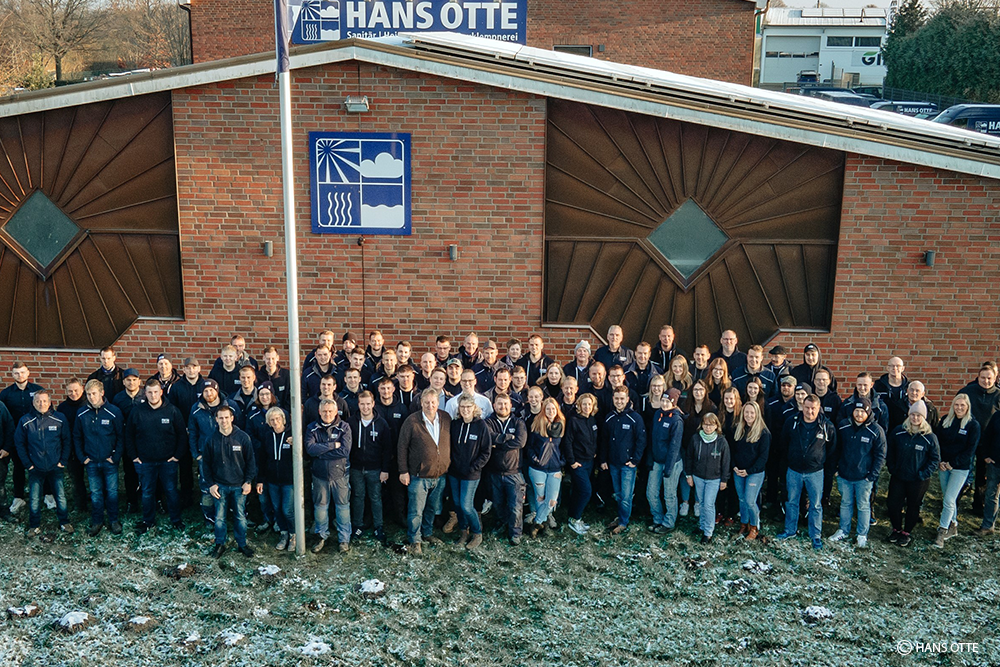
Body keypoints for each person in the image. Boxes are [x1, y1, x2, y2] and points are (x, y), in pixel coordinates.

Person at [126, 380, 186, 534]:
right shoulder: (137, 412)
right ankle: (148, 521)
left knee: (171, 490)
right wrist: (134, 457)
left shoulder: (172, 411)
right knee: (147, 492)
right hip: (145, 461)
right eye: (149, 392)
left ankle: (176, 519)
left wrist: (177, 456)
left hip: (168, 461)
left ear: (161, 392)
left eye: (155, 392)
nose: (153, 395)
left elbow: (181, 435)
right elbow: (129, 436)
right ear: (145, 393)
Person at [776, 394, 836, 550]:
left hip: (815, 472)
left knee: (815, 505)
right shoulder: (792, 422)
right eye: (807, 408)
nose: (810, 411)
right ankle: (790, 530)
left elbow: (832, 450)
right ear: (802, 406)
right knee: (792, 501)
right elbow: (783, 443)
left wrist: (820, 462)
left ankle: (815, 535)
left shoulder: (826, 426)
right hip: (794, 470)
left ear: (818, 408)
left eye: (813, 408)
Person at [397, 389, 452, 554]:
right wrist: (403, 471)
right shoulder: (412, 421)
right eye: (426, 402)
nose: (430, 405)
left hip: (440, 475)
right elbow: (402, 447)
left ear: (438, 403)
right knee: (416, 510)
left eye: (433, 402)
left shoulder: (446, 418)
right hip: (418, 476)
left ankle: (427, 533)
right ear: (421, 403)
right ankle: (415, 539)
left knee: (431, 509)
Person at [14, 390, 73, 536]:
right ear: (33, 403)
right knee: (34, 498)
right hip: (35, 467)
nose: (42, 404)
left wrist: (62, 461)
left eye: (44, 401)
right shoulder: (25, 420)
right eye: (38, 401)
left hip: (55, 466)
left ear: (50, 401)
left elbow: (67, 440)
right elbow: (19, 443)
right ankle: (34, 525)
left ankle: (64, 522)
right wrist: (28, 464)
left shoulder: (59, 418)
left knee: (60, 496)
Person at [829, 397, 885, 548]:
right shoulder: (843, 426)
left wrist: (872, 475)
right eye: (856, 411)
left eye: (862, 411)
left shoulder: (875, 430)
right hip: (845, 474)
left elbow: (880, 455)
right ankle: (843, 530)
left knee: (863, 505)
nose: (859, 414)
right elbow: (836, 449)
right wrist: (836, 469)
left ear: (868, 412)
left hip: (864, 477)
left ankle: (861, 534)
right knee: (846, 503)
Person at [203, 405, 256, 558]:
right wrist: (211, 484)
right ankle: (220, 544)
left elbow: (251, 462)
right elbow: (205, 464)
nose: (224, 420)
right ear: (216, 419)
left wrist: (248, 481)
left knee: (240, 516)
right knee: (219, 518)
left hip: (239, 485)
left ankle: (242, 544)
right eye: (221, 418)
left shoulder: (243, 437)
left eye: (227, 417)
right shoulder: (211, 439)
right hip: (219, 486)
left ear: (232, 418)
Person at [886, 401, 941, 547]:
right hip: (899, 476)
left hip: (918, 479)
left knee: (913, 506)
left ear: (923, 417)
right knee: (893, 504)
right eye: (912, 415)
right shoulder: (899, 431)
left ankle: (906, 533)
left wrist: (924, 474)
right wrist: (892, 467)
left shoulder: (929, 437)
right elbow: (890, 450)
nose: (915, 418)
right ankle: (896, 529)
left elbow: (934, 459)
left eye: (918, 415)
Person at [73, 380, 124, 536]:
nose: (91, 397)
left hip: (109, 461)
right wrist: (83, 458)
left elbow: (121, 436)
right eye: (88, 394)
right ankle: (97, 521)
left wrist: (115, 457)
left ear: (102, 393)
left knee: (112, 492)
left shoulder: (114, 411)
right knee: (95, 493)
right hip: (91, 461)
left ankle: (114, 520)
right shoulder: (81, 413)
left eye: (94, 393)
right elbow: (77, 436)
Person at [189, 379, 240, 525]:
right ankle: (210, 517)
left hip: (230, 455)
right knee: (207, 489)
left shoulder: (231, 406)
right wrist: (196, 454)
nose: (209, 393)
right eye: (205, 391)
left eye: (211, 390)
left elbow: (240, 429)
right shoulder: (196, 408)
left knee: (232, 486)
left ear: (217, 390)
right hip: (206, 455)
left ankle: (234, 516)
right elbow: (192, 432)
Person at [306, 399, 353, 554]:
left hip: (339, 475)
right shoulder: (312, 428)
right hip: (319, 476)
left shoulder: (344, 427)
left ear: (336, 412)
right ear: (319, 412)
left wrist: (322, 452)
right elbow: (310, 449)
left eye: (330, 411)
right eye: (324, 411)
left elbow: (344, 451)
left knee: (342, 508)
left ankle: (344, 539)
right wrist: (332, 445)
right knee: (320, 508)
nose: (327, 414)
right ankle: (321, 537)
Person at [933, 394, 980, 548]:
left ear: (967, 407)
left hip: (959, 468)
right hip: (943, 466)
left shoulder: (973, 425)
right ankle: (953, 525)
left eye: (962, 405)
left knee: (948, 499)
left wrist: (953, 463)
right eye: (956, 405)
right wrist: (940, 461)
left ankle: (942, 529)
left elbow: (970, 450)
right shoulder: (946, 420)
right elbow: (937, 441)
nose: (959, 408)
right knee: (948, 498)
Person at [599, 387, 647, 535]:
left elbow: (641, 440)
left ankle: (623, 522)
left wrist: (635, 460)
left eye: (622, 399)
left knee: (626, 495)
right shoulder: (609, 417)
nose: (619, 401)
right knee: (619, 494)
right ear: (613, 399)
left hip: (628, 465)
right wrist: (603, 459)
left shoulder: (635, 418)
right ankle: (620, 517)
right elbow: (604, 441)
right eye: (617, 398)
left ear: (627, 399)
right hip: (613, 463)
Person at [448, 396, 492, 549]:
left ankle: (477, 532)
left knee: (467, 505)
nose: (465, 410)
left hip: (471, 473)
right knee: (458, 504)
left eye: (468, 407)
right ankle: (463, 531)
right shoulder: (454, 425)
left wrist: (474, 467)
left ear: (474, 408)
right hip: (454, 472)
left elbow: (486, 451)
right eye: (462, 407)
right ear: (458, 409)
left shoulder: (481, 426)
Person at [348, 391, 391, 545]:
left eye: (368, 404)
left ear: (373, 404)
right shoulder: (351, 422)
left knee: (375, 498)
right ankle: (357, 526)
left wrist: (385, 470)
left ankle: (378, 526)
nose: (365, 407)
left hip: (375, 469)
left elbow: (387, 449)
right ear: (358, 404)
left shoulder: (381, 423)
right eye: (362, 404)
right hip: (356, 468)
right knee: (358, 497)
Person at [485, 393, 528, 545]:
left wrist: (498, 444)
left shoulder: (518, 422)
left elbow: (520, 442)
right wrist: (507, 438)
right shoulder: (488, 422)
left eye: (505, 404)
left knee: (515, 506)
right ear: (494, 405)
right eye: (499, 404)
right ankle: (501, 524)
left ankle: (515, 533)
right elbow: (488, 438)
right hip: (494, 472)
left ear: (510, 406)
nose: (502, 407)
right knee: (497, 503)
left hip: (514, 472)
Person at [958, 364, 1000, 514]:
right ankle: (953, 503)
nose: (986, 381)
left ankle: (978, 505)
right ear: (978, 377)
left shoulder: (998, 396)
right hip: (967, 439)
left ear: (995, 378)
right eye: (983, 377)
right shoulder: (967, 392)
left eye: (989, 378)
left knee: (982, 477)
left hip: (987, 443)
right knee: (962, 472)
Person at [1, 362, 43, 511]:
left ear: (28, 373)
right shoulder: (5, 395)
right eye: (17, 373)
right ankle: (19, 497)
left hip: (36, 437)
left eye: (23, 372)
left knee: (40, 465)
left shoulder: (38, 391)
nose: (20, 375)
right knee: (18, 467)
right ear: (12, 374)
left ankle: (47, 494)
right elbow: (4, 420)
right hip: (16, 438)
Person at [684, 412, 730, 544]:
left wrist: (724, 479)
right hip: (698, 476)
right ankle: (702, 526)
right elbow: (689, 457)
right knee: (702, 502)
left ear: (716, 426)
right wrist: (689, 475)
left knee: (709, 504)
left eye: (711, 425)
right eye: (705, 424)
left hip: (714, 478)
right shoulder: (696, 439)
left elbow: (726, 462)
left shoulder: (721, 441)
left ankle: (708, 532)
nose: (708, 427)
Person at [526, 398, 566, 538]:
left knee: (551, 500)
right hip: (538, 469)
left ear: (557, 410)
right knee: (540, 498)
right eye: (548, 409)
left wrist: (562, 461)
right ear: (544, 410)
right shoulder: (537, 425)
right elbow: (529, 447)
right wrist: (535, 459)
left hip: (555, 469)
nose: (550, 411)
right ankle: (543, 525)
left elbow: (565, 446)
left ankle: (537, 522)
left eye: (553, 409)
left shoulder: (561, 425)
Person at [646, 389, 684, 534]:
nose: (664, 403)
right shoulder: (658, 414)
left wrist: (668, 469)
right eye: (663, 400)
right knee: (651, 492)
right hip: (656, 460)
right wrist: (650, 458)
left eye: (668, 401)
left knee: (669, 494)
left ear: (674, 403)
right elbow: (652, 438)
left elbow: (675, 446)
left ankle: (669, 522)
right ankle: (658, 518)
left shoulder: (676, 420)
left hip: (671, 463)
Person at [257, 407, 295, 551]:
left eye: (278, 418)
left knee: (287, 510)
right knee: (277, 508)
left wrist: (295, 444)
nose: (275, 422)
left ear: (283, 419)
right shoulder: (267, 436)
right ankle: (283, 534)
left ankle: (293, 535)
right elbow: (262, 459)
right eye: (272, 420)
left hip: (288, 481)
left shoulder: (291, 435)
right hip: (272, 480)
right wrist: (260, 480)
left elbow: (302, 455)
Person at [731, 401, 770, 541]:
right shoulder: (738, 429)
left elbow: (763, 457)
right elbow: (733, 451)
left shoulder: (764, 433)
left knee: (750, 501)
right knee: (741, 499)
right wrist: (734, 466)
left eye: (752, 413)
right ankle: (744, 524)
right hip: (738, 471)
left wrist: (748, 471)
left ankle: (754, 527)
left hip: (754, 473)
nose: (749, 415)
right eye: (746, 412)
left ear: (757, 414)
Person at [561, 393, 598, 535]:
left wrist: (594, 452)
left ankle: (573, 517)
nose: (587, 407)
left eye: (589, 404)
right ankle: (575, 518)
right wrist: (572, 461)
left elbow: (595, 438)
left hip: (590, 461)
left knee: (577, 491)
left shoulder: (592, 420)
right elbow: (568, 442)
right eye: (584, 404)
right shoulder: (574, 420)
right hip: (578, 463)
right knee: (586, 491)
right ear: (579, 405)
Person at [680, 380, 716, 517]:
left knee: (698, 476)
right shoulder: (685, 405)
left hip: (703, 447)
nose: (698, 393)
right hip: (686, 446)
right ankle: (685, 502)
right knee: (686, 474)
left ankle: (697, 502)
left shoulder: (711, 408)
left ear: (705, 391)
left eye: (701, 390)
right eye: (695, 390)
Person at [56, 378, 89, 511]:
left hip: (88, 447)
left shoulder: (88, 404)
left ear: (82, 389)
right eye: (70, 391)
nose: (73, 393)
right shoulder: (62, 407)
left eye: (76, 390)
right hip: (71, 449)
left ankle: (99, 502)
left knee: (94, 478)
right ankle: (80, 505)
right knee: (76, 479)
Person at [978, 410, 1000, 535]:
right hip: (995, 463)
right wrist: (986, 455)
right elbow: (987, 436)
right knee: (991, 495)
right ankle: (987, 526)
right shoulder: (997, 416)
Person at [874, 357, 910, 430]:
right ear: (887, 368)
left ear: (903, 368)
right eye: (892, 366)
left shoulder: (909, 386)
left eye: (898, 366)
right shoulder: (878, 385)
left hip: (903, 426)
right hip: (883, 425)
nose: (895, 368)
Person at [256, 346, 291, 411]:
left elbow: (289, 396)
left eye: (273, 358)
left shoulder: (286, 375)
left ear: (277, 358)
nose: (270, 361)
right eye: (268, 358)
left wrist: (285, 412)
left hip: (282, 413)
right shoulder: (257, 376)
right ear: (263, 358)